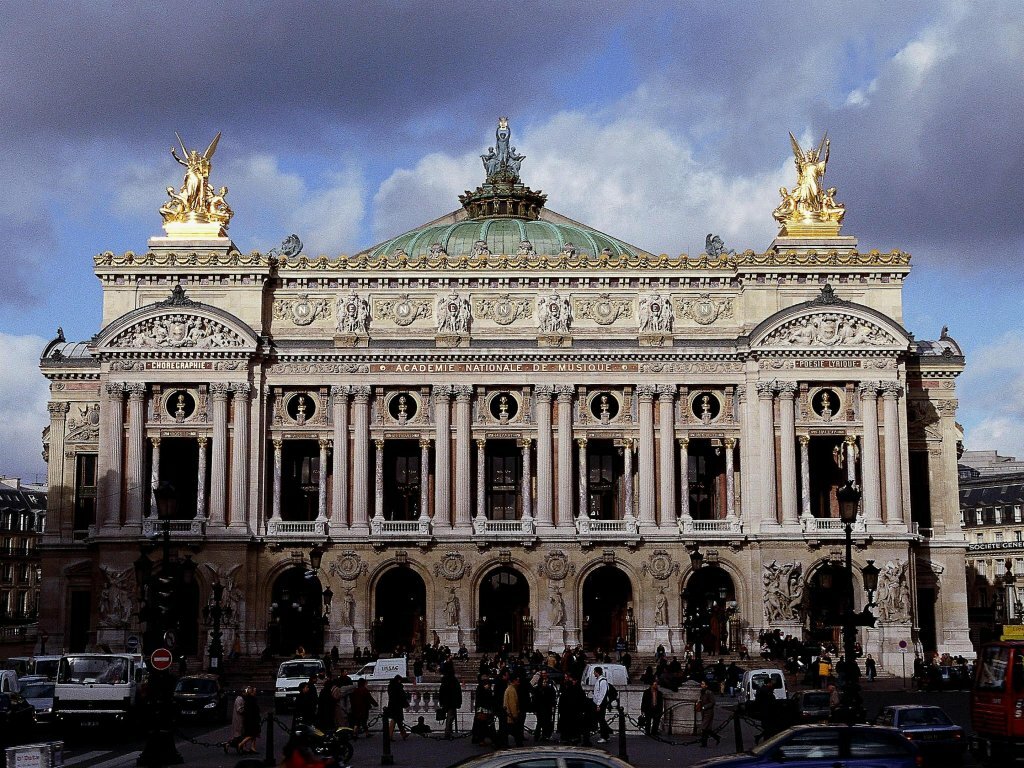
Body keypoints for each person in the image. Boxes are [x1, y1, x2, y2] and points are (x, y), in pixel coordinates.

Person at [438, 669, 463, 740]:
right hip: (452, 702)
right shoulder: (454, 681)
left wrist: (441, 701)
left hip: (446, 702)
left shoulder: (444, 681)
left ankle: (449, 730)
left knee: (450, 717)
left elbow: (441, 692)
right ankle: (448, 731)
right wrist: (459, 702)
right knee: (450, 717)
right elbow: (458, 693)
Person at [591, 666, 613, 743]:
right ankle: (606, 735)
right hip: (599, 703)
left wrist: (598, 704)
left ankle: (604, 736)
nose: (594, 673)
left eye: (594, 672)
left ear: (597, 672)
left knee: (601, 720)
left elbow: (602, 694)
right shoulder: (600, 680)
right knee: (601, 720)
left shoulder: (602, 681)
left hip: (601, 703)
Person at [532, 670, 556, 742]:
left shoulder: (551, 683)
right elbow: (535, 696)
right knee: (540, 722)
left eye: (545, 673)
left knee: (547, 721)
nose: (544, 675)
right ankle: (537, 735)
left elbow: (553, 694)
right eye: (542, 674)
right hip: (540, 706)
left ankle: (545, 735)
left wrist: (552, 705)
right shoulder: (538, 685)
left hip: (547, 706)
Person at [237, 686, 262, 754]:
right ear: (251, 692)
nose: (255, 692)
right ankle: (240, 744)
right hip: (252, 720)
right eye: (254, 691)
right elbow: (253, 711)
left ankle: (252, 747)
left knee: (254, 733)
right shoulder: (251, 700)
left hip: (250, 719)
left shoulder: (248, 699)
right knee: (253, 733)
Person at [502, 675, 524, 747]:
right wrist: (515, 715)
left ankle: (504, 743)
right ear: (514, 681)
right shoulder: (512, 690)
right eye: (517, 680)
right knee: (515, 731)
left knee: (509, 731)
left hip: (509, 714)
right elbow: (513, 704)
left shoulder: (510, 689)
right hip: (511, 715)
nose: (518, 681)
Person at [386, 674, 410, 740]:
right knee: (395, 720)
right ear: (399, 680)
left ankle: (403, 734)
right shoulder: (398, 687)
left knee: (398, 720)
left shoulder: (390, 686)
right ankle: (389, 736)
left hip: (392, 705)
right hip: (397, 705)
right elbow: (402, 696)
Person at [697, 680, 720, 747]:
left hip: (708, 712)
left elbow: (712, 702)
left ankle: (704, 743)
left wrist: (704, 707)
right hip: (704, 712)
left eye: (703, 684)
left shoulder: (709, 692)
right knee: (707, 729)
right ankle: (716, 737)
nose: (701, 685)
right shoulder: (702, 692)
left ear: (706, 685)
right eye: (701, 684)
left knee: (704, 727)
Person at [224, 688, 246, 753]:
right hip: (238, 719)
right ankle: (229, 744)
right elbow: (239, 709)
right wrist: (245, 708)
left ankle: (241, 746)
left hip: (239, 719)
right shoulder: (239, 699)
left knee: (239, 734)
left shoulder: (240, 699)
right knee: (238, 734)